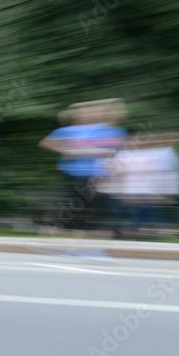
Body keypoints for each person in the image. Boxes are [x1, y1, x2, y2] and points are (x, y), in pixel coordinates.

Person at [38, 99, 127, 254]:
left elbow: (116, 149)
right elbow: (47, 142)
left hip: (99, 177)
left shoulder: (108, 129)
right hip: (75, 175)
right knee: (77, 210)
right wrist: (66, 151)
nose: (88, 115)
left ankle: (96, 248)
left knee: (102, 211)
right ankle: (70, 245)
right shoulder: (72, 130)